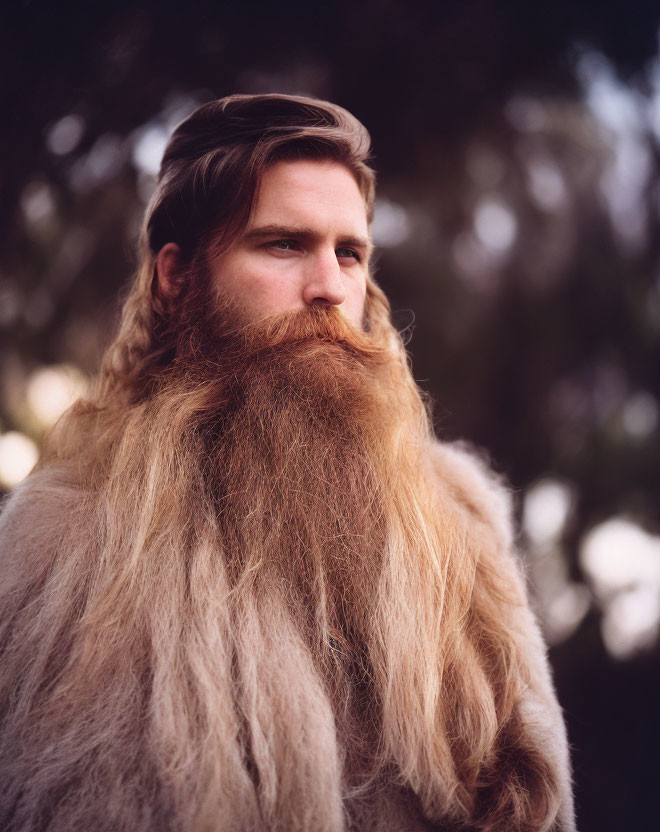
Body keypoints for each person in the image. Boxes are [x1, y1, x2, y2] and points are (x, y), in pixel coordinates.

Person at [0, 94, 576, 832]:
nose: (330, 286)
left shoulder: (460, 522)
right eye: (282, 244)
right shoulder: (61, 545)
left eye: (350, 252)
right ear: (179, 277)